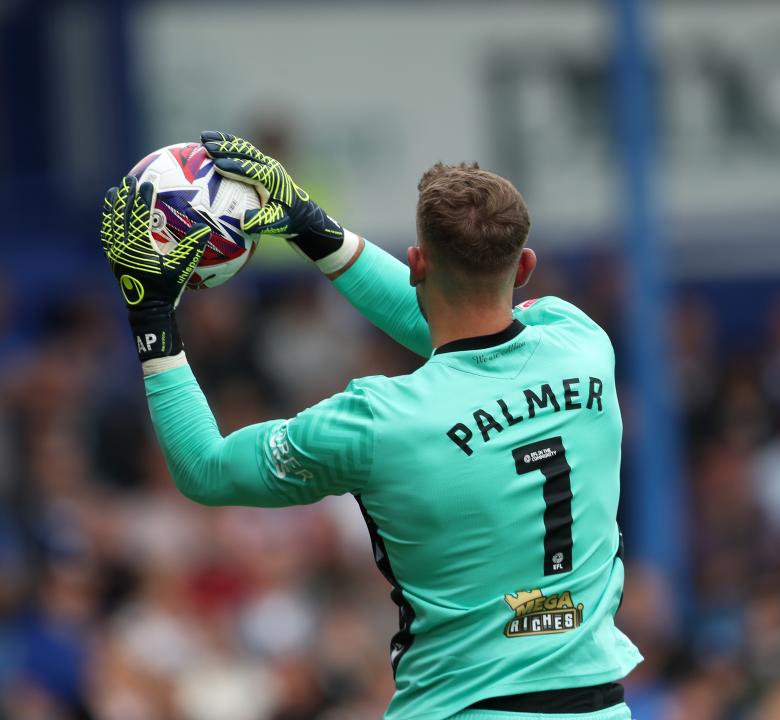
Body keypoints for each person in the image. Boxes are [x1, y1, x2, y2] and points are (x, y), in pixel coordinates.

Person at [99, 131, 641, 720]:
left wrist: (150, 312)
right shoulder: (581, 341)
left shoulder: (377, 421)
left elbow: (204, 469)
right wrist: (312, 228)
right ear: (526, 266)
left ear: (416, 263)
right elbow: (462, 330)